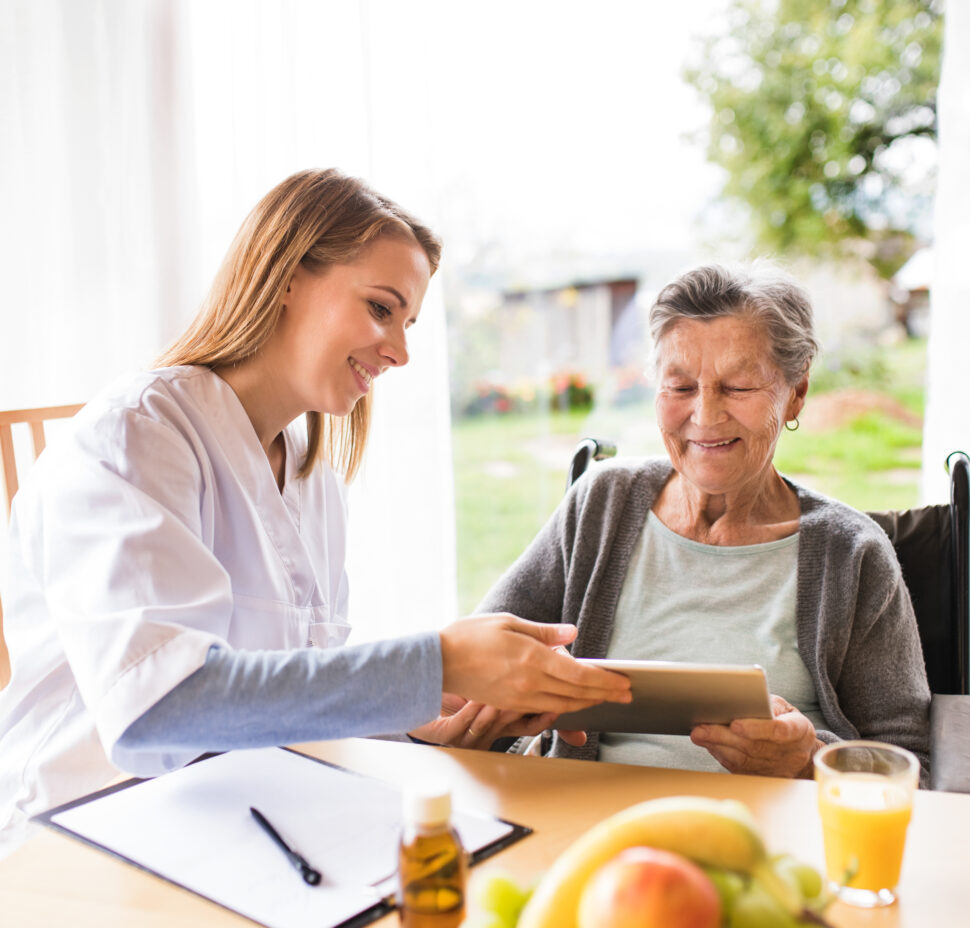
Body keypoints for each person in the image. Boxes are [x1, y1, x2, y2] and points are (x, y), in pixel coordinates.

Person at [0, 169, 630, 855]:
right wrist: (436, 665)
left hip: (235, 827)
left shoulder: (311, 477)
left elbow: (292, 694)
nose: (400, 351)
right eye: (381, 309)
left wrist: (418, 721)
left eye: (409, 322)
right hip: (79, 843)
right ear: (287, 277)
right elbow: (159, 710)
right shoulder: (135, 438)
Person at [478, 263, 931, 781]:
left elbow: (915, 763)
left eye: (737, 387)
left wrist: (810, 762)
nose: (706, 416)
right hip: (591, 824)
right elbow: (479, 662)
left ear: (796, 392)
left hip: (775, 836)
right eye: (680, 386)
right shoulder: (602, 502)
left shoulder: (852, 553)